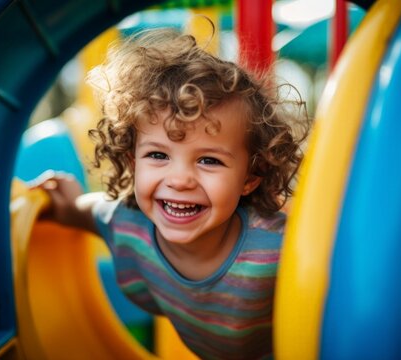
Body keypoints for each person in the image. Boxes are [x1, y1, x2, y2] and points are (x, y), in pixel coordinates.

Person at [35, 27, 309, 360]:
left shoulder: (277, 251)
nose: (180, 180)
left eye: (209, 160)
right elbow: (81, 209)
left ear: (250, 178)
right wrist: (59, 200)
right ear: (131, 161)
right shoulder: (126, 224)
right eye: (158, 155)